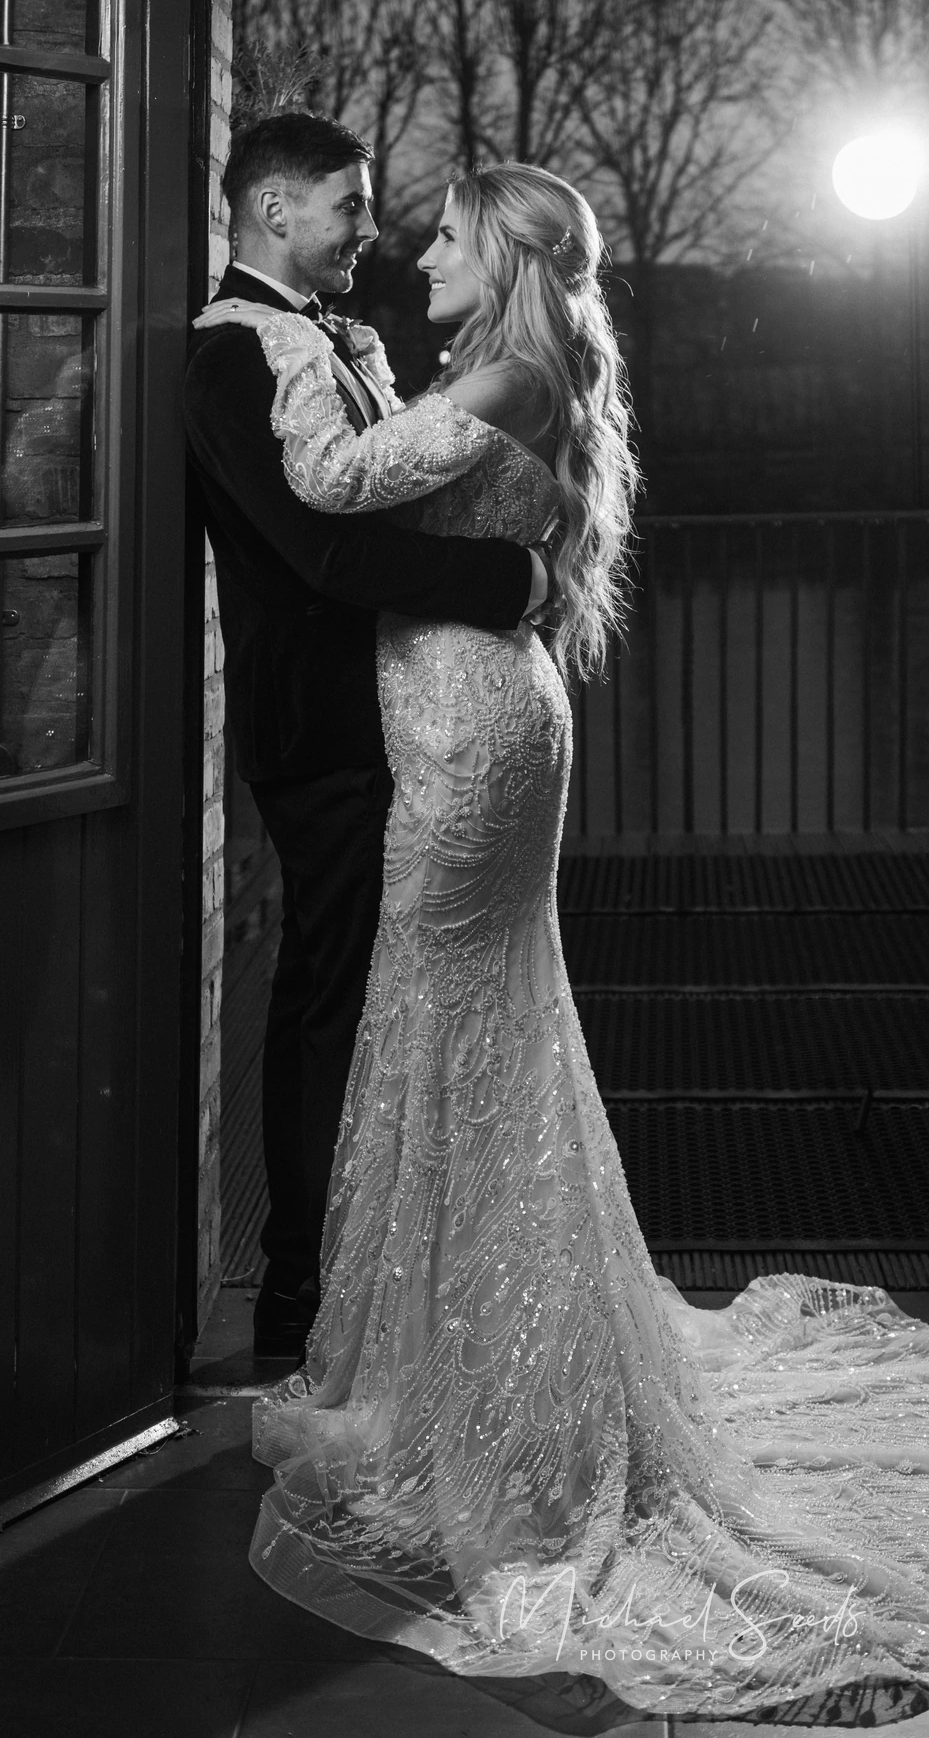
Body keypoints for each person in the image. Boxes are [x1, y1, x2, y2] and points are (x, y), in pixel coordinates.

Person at [192, 161, 929, 1730]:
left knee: (448, 1029)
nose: (415, 251)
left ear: (507, 252)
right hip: (473, 721)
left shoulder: (505, 368)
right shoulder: (496, 363)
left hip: (468, 738)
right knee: (467, 1035)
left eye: (444, 233)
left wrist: (269, 360)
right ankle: (472, 1372)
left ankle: (489, 1397)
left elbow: (326, 491)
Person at [183, 112, 553, 1358]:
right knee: (332, 999)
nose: (367, 228)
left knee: (389, 994)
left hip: (413, 713)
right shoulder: (230, 356)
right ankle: (301, 1300)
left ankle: (400, 1276)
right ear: (275, 210)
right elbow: (323, 547)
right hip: (326, 726)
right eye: (346, 204)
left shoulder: (341, 339)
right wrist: (511, 582)